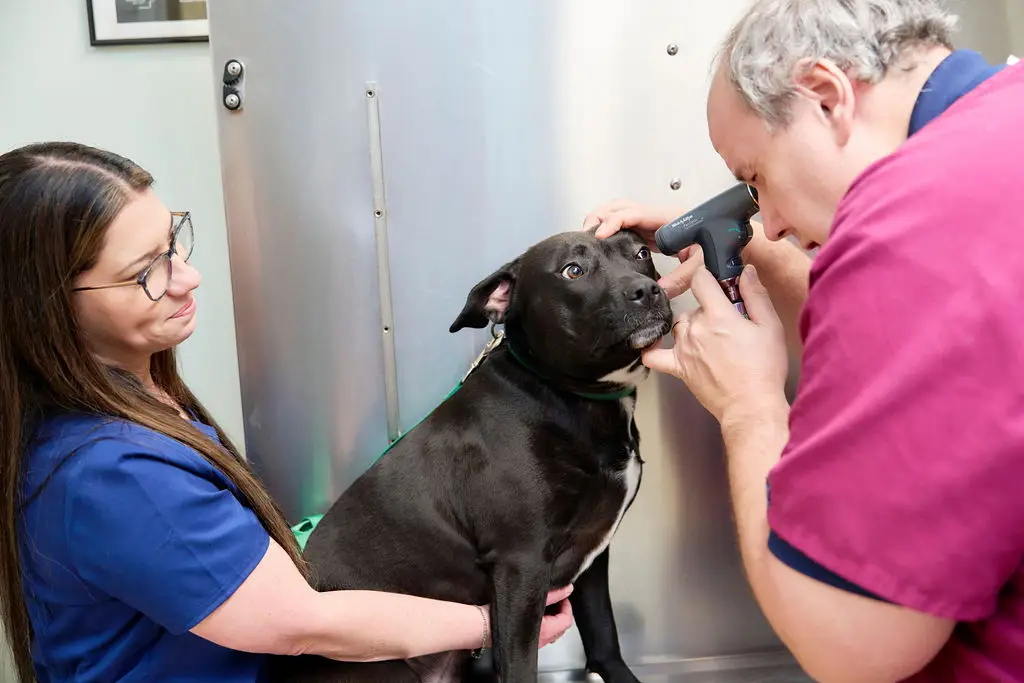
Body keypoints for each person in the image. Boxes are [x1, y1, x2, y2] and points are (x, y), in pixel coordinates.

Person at [0, 141, 574, 683]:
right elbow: (300, 622)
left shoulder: (143, 402)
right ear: (44, 306)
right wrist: (496, 621)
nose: (188, 277)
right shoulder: (112, 472)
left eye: (174, 242)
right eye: (148, 271)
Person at [584, 1, 1023, 681]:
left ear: (826, 95)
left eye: (755, 178)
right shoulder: (998, 131)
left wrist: (748, 403)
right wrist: (754, 253)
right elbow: (953, 344)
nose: (775, 223)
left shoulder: (911, 224)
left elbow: (849, 643)